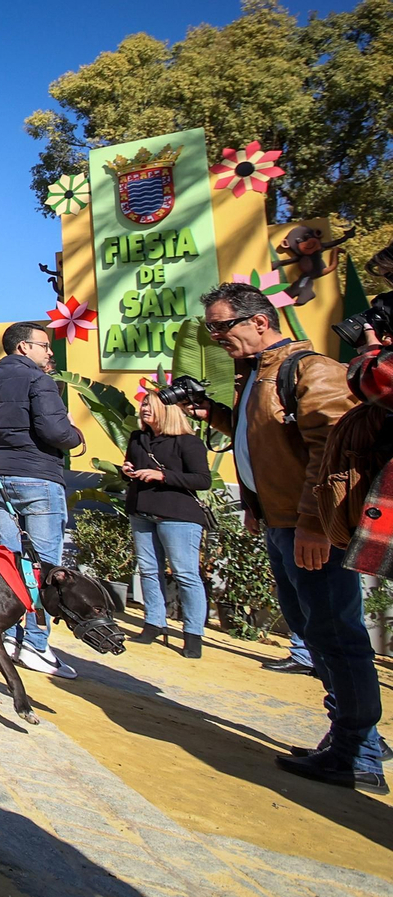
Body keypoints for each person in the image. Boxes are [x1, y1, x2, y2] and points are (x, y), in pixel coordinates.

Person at [194, 281, 384, 793]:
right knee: (312, 629)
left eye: (221, 326)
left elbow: (333, 451)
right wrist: (217, 420)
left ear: (259, 321)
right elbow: (268, 442)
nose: (215, 337)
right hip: (282, 523)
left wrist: (314, 524)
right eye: (210, 329)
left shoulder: (309, 369)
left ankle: (359, 753)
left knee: (335, 634)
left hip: (310, 529)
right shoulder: (257, 374)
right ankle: (349, 735)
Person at [0, 321, 83, 679]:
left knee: (11, 563)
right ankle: (35, 642)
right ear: (24, 348)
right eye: (44, 346)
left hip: (2, 478)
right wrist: (75, 436)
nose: (49, 353)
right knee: (46, 568)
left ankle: (7, 629)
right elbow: (55, 430)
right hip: (39, 477)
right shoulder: (39, 381)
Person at [122, 393, 212, 657]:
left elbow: (202, 480)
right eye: (143, 404)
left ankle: (193, 634)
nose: (144, 408)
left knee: (185, 574)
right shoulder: (138, 438)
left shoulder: (188, 442)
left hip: (178, 515)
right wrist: (126, 471)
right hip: (142, 510)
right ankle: (154, 623)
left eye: (150, 405)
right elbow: (131, 466)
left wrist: (162, 476)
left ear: (168, 410)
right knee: (149, 570)